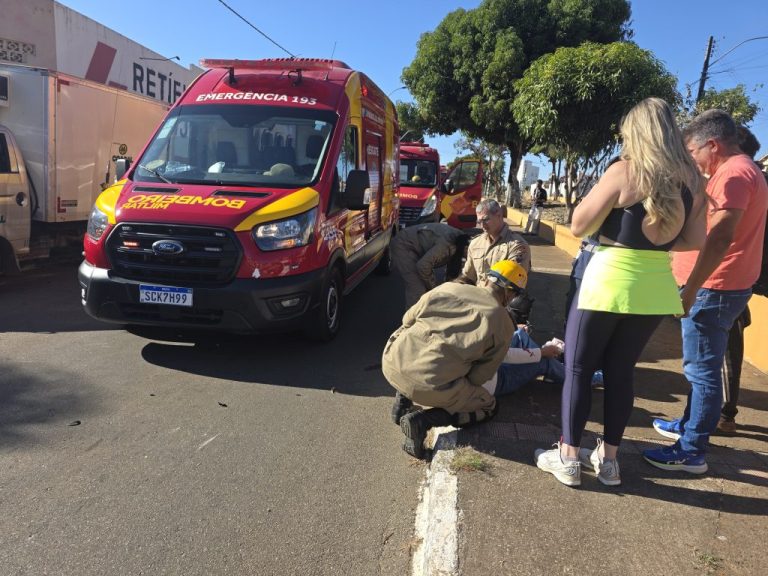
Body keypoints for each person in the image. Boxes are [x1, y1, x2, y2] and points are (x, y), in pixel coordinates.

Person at [534, 97, 707, 487]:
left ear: (636, 132)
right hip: (654, 287)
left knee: (578, 368)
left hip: (607, 280)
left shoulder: (624, 171)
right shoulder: (692, 182)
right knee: (620, 372)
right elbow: (693, 241)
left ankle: (568, 457)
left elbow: (578, 224)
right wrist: (652, 243)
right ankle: (609, 461)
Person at [644, 110, 768, 473]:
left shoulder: (734, 175)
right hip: (721, 285)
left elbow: (721, 237)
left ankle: (692, 448)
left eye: (693, 152)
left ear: (712, 145)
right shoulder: (742, 171)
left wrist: (691, 289)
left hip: (714, 287)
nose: (692, 160)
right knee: (701, 365)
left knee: (702, 370)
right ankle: (688, 426)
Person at [383, 260, 527, 459]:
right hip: (429, 383)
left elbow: (407, 319)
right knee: (489, 406)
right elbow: (478, 378)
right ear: (511, 295)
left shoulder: (449, 287)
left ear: (486, 278)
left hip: (391, 362)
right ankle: (423, 421)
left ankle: (402, 399)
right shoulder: (503, 325)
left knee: (411, 333)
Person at [717, 126, 767, 434]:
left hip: (737, 276)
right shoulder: (758, 180)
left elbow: (725, 235)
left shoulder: (741, 180)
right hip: (748, 276)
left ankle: (724, 414)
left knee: (725, 344)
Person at [390, 223, 471, 309]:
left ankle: (425, 314)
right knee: (418, 288)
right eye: (470, 254)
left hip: (419, 247)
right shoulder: (446, 245)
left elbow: (454, 272)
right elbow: (423, 266)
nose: (470, 256)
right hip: (404, 245)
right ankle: (412, 321)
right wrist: (433, 287)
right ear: (466, 248)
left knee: (427, 288)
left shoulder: (462, 241)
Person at [457, 199, 531, 285]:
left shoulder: (517, 246)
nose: (482, 225)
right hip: (478, 296)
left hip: (502, 297)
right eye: (479, 221)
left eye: (486, 220)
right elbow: (468, 277)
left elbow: (511, 285)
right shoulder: (475, 243)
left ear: (499, 215)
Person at [481, 327, 565, 397]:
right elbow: (503, 355)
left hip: (490, 363)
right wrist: (541, 352)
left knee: (519, 335)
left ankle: (554, 361)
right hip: (496, 380)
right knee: (544, 361)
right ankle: (574, 378)